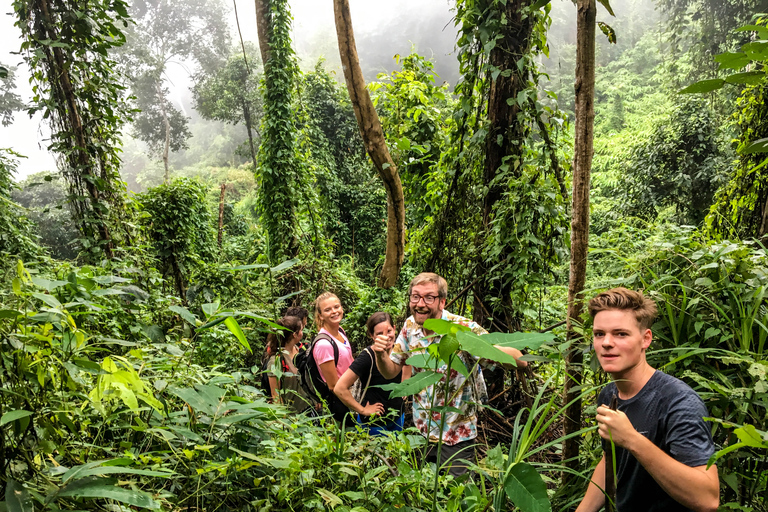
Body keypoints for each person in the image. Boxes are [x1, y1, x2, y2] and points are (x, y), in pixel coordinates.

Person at [575, 288, 719, 512]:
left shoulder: (678, 402)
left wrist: (631, 438)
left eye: (621, 334)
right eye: (599, 334)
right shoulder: (609, 394)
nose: (606, 343)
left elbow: (707, 499)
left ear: (645, 339)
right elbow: (611, 462)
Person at [372, 272, 527, 477]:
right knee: (425, 495)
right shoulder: (410, 326)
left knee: (456, 497)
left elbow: (520, 361)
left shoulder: (462, 328)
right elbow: (391, 369)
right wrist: (381, 355)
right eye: (415, 296)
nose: (420, 304)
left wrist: (474, 345)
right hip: (422, 431)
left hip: (456, 435)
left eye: (429, 297)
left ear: (442, 302)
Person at [333, 312, 411, 435]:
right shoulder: (367, 356)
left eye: (389, 331)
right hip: (372, 423)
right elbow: (340, 388)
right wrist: (362, 410)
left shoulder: (400, 350)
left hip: (397, 417)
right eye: (379, 334)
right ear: (372, 336)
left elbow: (407, 365)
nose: (386, 337)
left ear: (395, 329)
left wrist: (405, 386)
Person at [312, 292, 354, 422]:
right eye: (328, 310)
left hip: (352, 390)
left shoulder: (340, 331)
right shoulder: (324, 344)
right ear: (321, 316)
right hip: (340, 401)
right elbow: (333, 385)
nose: (334, 312)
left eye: (336, 307)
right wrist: (357, 407)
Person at [264, 316, 311, 413]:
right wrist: (284, 419)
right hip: (293, 414)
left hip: (309, 408)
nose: (302, 333)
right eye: (301, 330)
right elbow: (276, 394)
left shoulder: (301, 349)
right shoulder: (276, 361)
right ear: (294, 334)